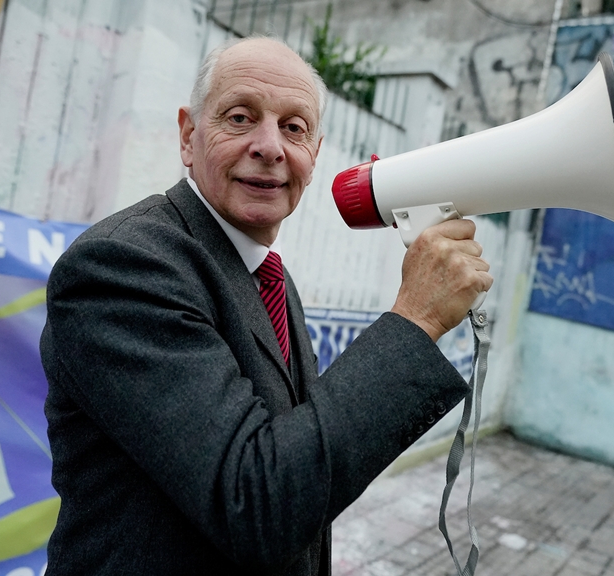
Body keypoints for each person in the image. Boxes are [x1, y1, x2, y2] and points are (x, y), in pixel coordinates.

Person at [40, 37, 492, 574]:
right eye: (239, 117)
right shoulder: (122, 267)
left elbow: (295, 452)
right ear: (188, 136)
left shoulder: (267, 276)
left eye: (294, 128)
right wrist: (417, 321)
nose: (270, 146)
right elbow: (255, 504)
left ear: (313, 156)